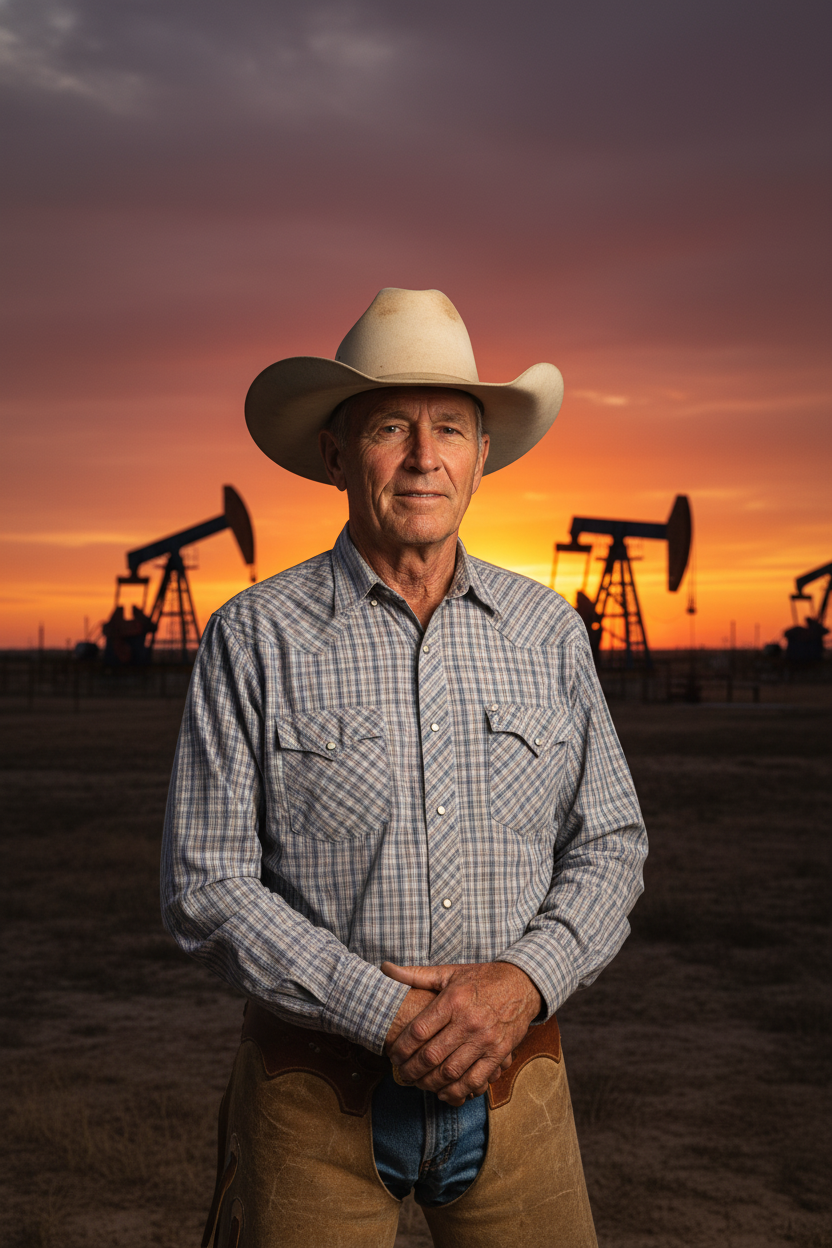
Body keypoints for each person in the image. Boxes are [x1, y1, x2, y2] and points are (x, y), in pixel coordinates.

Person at [161, 287, 647, 1248]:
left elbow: (613, 844)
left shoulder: (548, 632)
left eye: (452, 431)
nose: (426, 458)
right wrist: (387, 1014)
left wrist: (518, 985)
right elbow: (205, 884)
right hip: (314, 1096)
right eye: (392, 427)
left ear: (482, 459)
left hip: (520, 1087)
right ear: (339, 455)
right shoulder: (255, 638)